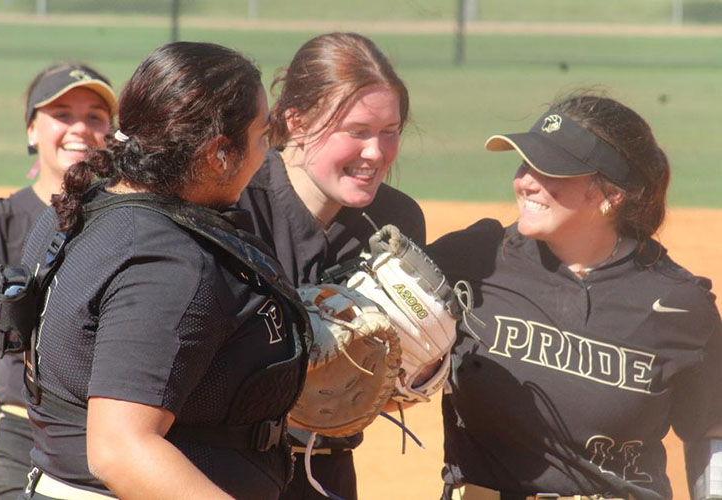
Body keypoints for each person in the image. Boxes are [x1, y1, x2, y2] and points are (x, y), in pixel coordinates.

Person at [16, 41, 309, 499]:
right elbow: (121, 449)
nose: (266, 152)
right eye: (260, 136)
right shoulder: (169, 263)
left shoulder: (84, 207)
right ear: (218, 153)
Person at [428, 93, 722, 500]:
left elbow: (710, 428)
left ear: (610, 195)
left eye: (551, 171)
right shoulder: (473, 259)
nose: (526, 181)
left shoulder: (677, 303)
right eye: (525, 163)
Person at [237, 32, 425, 500]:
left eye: (390, 131)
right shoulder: (236, 203)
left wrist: (408, 372)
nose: (377, 154)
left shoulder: (395, 223)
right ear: (296, 123)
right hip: (227, 468)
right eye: (357, 131)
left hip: (329, 475)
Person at [0, 62, 116, 500]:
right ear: (32, 131)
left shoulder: (129, 224)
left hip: (108, 444)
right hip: (20, 434)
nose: (80, 128)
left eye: (95, 116)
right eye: (62, 114)